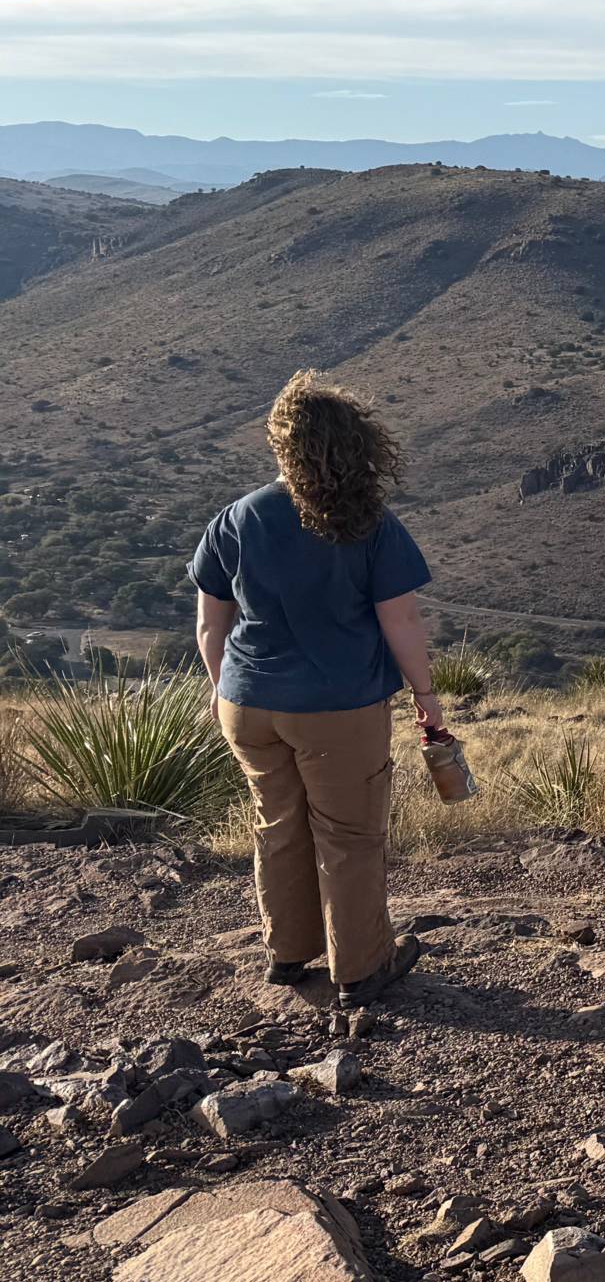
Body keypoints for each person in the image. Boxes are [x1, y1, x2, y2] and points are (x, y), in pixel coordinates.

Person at [191, 371, 439, 1008]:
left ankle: (287, 954)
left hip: (247, 703)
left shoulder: (237, 518)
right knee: (349, 836)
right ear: (355, 445)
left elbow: (210, 625)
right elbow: (401, 622)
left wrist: (225, 691)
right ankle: (361, 968)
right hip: (338, 707)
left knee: (276, 824)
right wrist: (427, 698)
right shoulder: (368, 523)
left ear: (281, 444)